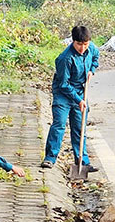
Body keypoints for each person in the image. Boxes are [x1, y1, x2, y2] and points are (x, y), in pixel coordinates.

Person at [42, 26, 99, 171]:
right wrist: (78, 100)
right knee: (59, 125)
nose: (82, 48)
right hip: (63, 94)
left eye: (85, 44)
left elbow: (96, 58)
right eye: (79, 44)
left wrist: (92, 71)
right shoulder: (65, 58)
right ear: (73, 41)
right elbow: (63, 84)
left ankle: (82, 162)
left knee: (80, 128)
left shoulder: (91, 48)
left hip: (81, 91)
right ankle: (50, 158)